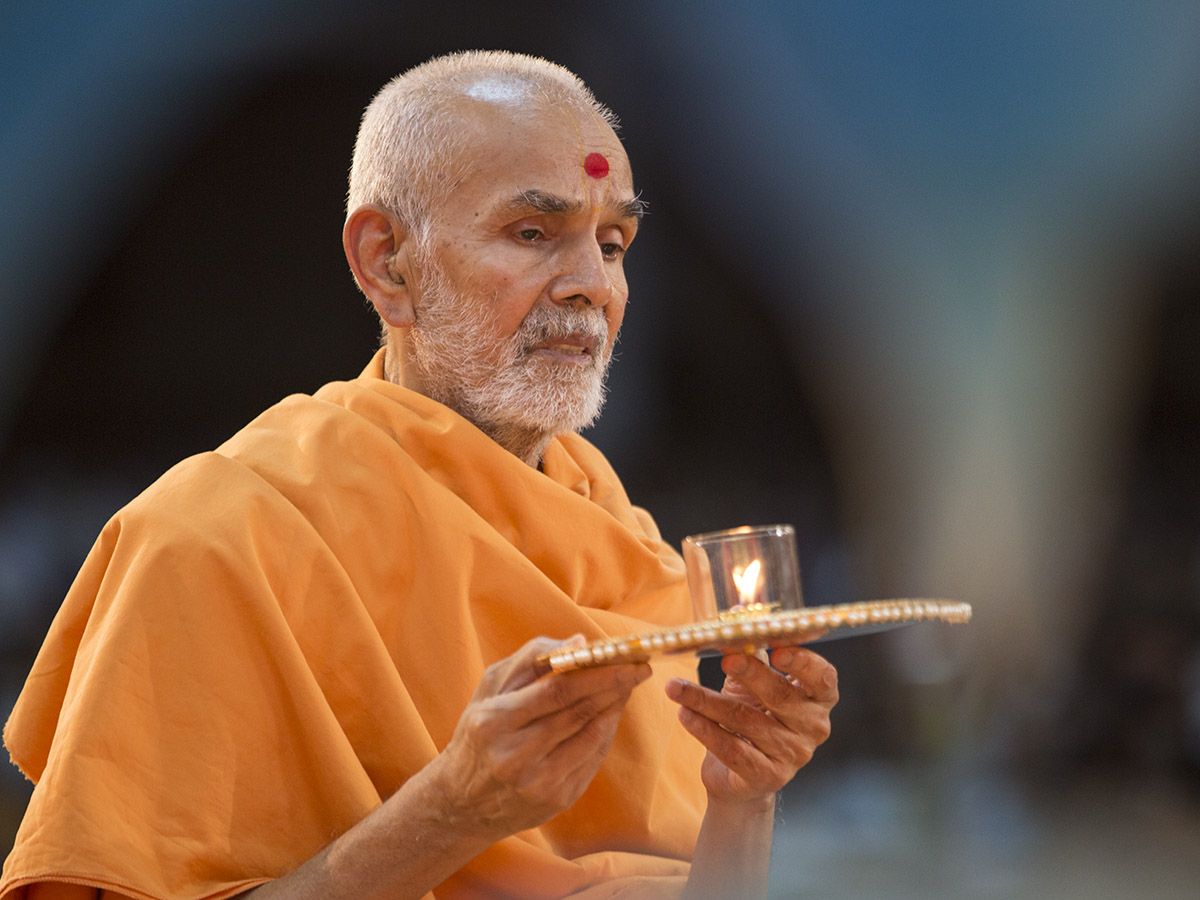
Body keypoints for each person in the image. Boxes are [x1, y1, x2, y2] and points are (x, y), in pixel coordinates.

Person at [1, 51, 837, 899]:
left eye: (613, 242)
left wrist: (745, 800)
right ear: (386, 262)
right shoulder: (215, 538)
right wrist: (451, 812)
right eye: (533, 234)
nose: (594, 286)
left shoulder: (627, 553)